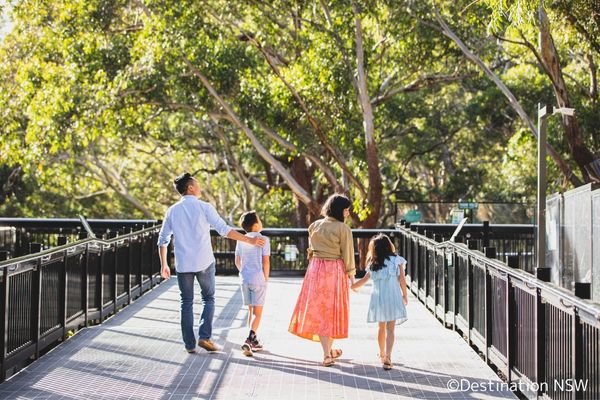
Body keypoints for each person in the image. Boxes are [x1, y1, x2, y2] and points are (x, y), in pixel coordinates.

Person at [157, 172, 265, 354]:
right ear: (190, 187)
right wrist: (250, 240)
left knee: (186, 302)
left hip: (183, 264)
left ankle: (189, 345)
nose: (200, 186)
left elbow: (162, 240)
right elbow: (224, 230)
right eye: (197, 184)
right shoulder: (204, 207)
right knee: (208, 299)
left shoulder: (172, 211)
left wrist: (164, 265)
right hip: (204, 261)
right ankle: (204, 337)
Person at [288, 194, 356, 367]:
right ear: (340, 210)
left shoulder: (315, 225)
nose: (348, 213)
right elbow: (348, 254)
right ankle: (327, 355)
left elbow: (310, 251)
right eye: (347, 210)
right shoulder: (343, 229)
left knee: (321, 311)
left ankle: (329, 351)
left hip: (315, 269)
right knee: (332, 312)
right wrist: (352, 276)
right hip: (333, 271)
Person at [351, 233, 408, 370]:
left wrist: (353, 286)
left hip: (379, 299)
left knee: (381, 328)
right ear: (389, 246)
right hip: (393, 297)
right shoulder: (397, 260)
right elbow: (402, 280)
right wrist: (405, 295)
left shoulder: (373, 263)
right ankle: (388, 356)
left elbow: (364, 280)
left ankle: (382, 354)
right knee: (391, 329)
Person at [235, 210, 271, 357]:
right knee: (258, 314)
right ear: (256, 225)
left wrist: (244, 272)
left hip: (244, 279)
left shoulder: (240, 239)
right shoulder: (264, 239)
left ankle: (254, 341)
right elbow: (266, 261)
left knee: (251, 312)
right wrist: (265, 278)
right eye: (259, 220)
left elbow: (237, 261)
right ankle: (249, 340)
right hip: (258, 279)